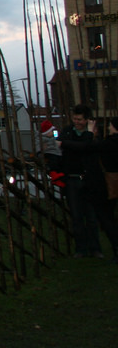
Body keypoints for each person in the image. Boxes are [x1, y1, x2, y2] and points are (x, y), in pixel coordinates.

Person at [60, 116, 118, 264]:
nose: (109, 128)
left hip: (107, 185)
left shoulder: (110, 143)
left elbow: (85, 147)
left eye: (111, 126)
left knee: (106, 219)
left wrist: (89, 133)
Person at [58, 104, 103, 258]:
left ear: (87, 120)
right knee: (77, 216)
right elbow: (82, 146)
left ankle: (95, 248)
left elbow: (87, 147)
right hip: (72, 178)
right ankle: (81, 248)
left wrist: (68, 144)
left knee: (91, 216)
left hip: (89, 178)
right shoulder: (67, 132)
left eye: (80, 119)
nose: (77, 122)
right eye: (75, 119)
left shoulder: (95, 133)